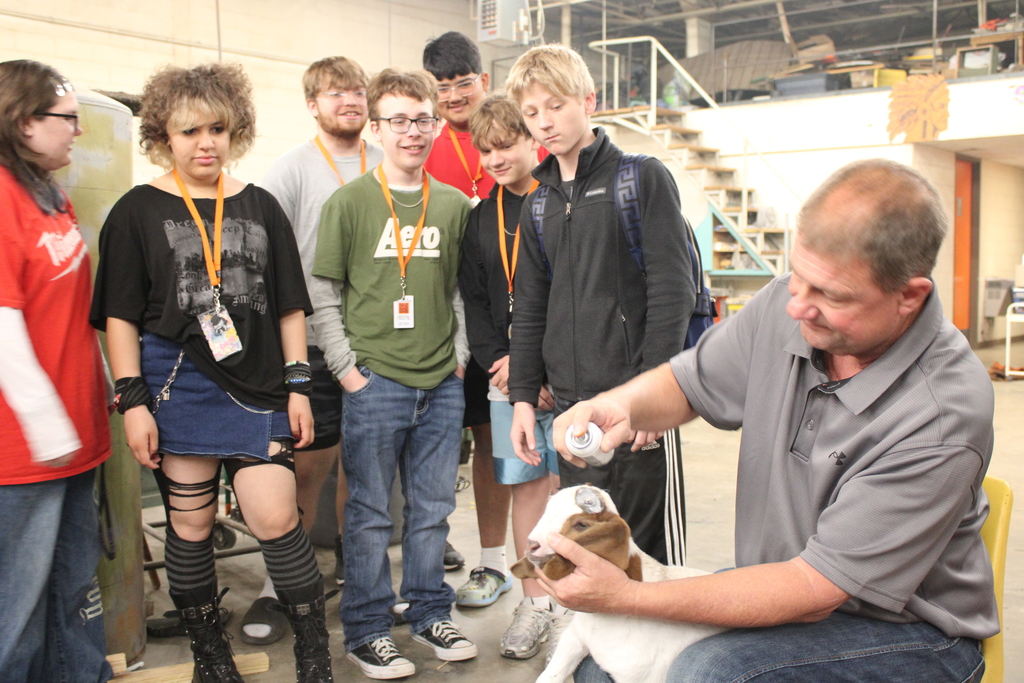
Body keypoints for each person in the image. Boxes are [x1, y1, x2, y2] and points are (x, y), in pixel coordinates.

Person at [545, 159, 997, 683]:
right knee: (603, 663)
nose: (798, 306)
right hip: (786, 587)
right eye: (799, 278)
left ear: (909, 296)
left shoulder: (942, 412)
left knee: (711, 673)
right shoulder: (791, 305)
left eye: (831, 295)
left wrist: (631, 597)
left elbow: (813, 590)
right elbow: (688, 382)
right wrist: (622, 405)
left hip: (908, 633)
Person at [90, 63, 334, 683]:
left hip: (260, 389)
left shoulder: (260, 204)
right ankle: (211, 658)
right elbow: (118, 317)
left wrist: (299, 385)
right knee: (191, 525)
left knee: (277, 520)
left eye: (218, 128)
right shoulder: (136, 212)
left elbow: (288, 305)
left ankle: (314, 659)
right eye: (190, 130)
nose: (206, 142)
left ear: (236, 130)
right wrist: (133, 401)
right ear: (163, 137)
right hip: (177, 388)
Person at [310, 67, 476, 680]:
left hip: (441, 384)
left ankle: (431, 610)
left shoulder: (456, 205)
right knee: (371, 513)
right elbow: (324, 294)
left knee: (432, 510)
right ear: (376, 128)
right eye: (399, 120)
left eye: (423, 119)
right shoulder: (349, 202)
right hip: (375, 381)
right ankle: (368, 629)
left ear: (436, 124)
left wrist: (457, 361)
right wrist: (349, 371)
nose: (413, 132)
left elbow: (462, 292)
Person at [506, 43, 694, 567]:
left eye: (557, 104)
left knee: (649, 559)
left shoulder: (639, 179)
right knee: (588, 552)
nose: (545, 122)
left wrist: (652, 395)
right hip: (572, 413)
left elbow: (671, 290)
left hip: (635, 408)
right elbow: (532, 308)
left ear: (589, 100)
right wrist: (523, 396)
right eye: (532, 113)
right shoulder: (538, 202)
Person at [243, 55, 384, 646]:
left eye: (356, 90)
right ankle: (286, 583)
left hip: (379, 341)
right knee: (305, 468)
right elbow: (261, 254)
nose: (348, 100)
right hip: (317, 345)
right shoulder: (291, 170)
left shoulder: (390, 162)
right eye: (334, 92)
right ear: (313, 104)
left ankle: (360, 572)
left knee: (368, 470)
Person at [0, 59, 113, 683]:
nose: (77, 131)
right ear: (23, 123)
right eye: (66, 120)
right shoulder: (1, 200)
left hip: (79, 440)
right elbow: (4, 334)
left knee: (75, 593)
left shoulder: (50, 193)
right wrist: (51, 431)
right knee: (15, 611)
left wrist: (98, 387)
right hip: (26, 454)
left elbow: (67, 314)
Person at [458, 94, 560, 659]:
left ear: (532, 141)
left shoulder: (559, 202)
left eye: (507, 145)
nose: (496, 158)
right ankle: (534, 603)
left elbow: (573, 297)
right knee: (524, 487)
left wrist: (541, 368)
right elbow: (475, 302)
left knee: (570, 492)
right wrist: (503, 364)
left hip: (564, 372)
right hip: (504, 376)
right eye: (487, 149)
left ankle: (577, 605)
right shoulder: (480, 219)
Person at [422, 30, 499, 580]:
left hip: (508, 322)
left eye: (463, 83)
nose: (453, 96)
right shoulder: (420, 146)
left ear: (484, 82)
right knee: (436, 442)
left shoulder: (518, 138)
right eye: (441, 87)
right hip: (442, 321)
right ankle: (432, 545)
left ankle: (494, 559)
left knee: (500, 441)